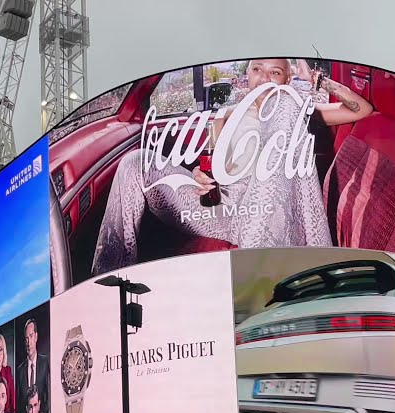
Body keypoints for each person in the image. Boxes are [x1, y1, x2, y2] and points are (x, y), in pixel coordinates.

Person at [91, 58, 375, 275]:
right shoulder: (226, 116)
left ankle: (258, 274)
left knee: (288, 108)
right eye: (257, 70)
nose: (264, 78)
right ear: (247, 75)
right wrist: (199, 177)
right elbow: (210, 168)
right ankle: (110, 273)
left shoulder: (297, 113)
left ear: (287, 80)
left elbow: (360, 109)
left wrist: (317, 80)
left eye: (275, 73)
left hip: (266, 218)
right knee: (134, 162)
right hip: (223, 210)